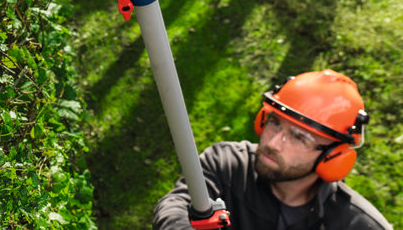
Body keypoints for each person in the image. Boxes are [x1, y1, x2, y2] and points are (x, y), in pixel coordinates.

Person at [153, 69, 391, 229]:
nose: (273, 143)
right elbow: (174, 206)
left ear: (334, 156)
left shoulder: (359, 224)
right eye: (275, 122)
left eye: (299, 137)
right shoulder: (226, 164)